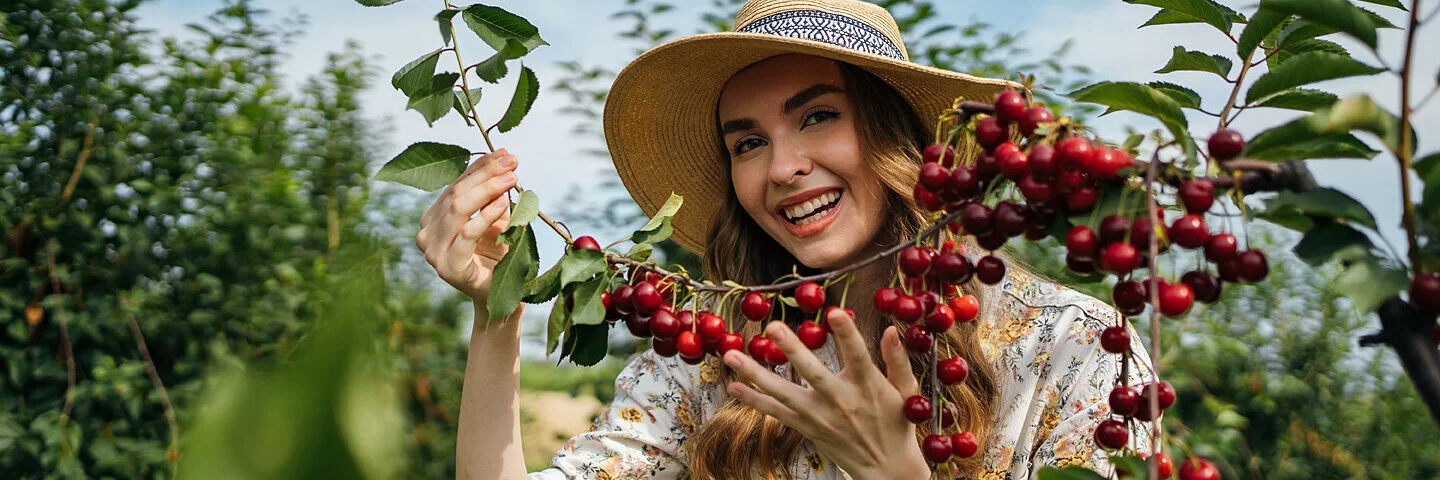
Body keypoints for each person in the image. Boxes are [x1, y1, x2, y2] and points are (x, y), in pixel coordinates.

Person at [415, 0, 1156, 478]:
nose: (783, 168)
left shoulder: (1074, 347)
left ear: (898, 139)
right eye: (746, 144)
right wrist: (498, 314)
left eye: (817, 117)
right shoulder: (715, 364)